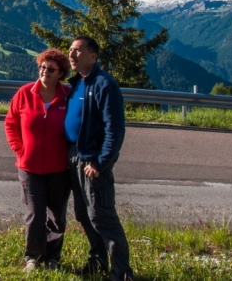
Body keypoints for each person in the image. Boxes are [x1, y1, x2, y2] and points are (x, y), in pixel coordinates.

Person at [65, 36, 134, 281]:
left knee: (102, 216)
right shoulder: (77, 83)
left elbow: (114, 129)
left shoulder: (104, 84)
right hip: (74, 157)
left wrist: (102, 162)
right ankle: (98, 261)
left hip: (91, 162)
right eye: (70, 49)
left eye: (77, 50)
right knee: (83, 214)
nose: (71, 54)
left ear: (93, 57)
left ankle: (121, 273)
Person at [4, 49, 72, 273]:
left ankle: (53, 257)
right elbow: (11, 123)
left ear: (60, 72)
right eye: (42, 66)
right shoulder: (25, 93)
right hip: (29, 167)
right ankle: (32, 256)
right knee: (35, 214)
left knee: (56, 216)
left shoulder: (67, 96)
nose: (44, 71)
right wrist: (19, 149)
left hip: (59, 168)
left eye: (50, 69)